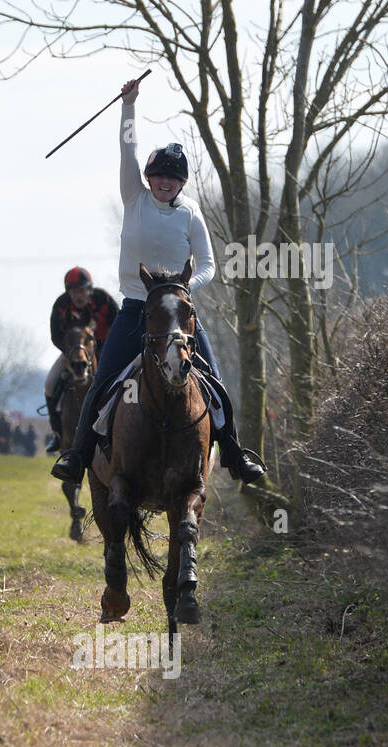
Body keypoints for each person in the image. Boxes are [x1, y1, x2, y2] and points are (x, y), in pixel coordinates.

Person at [52, 76, 265, 486]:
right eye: (159, 176)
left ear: (182, 183)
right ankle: (77, 456)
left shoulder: (191, 214)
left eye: (173, 178)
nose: (165, 182)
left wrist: (181, 293)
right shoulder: (134, 198)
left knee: (215, 384)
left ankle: (235, 457)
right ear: (149, 178)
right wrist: (128, 105)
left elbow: (208, 265)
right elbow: (127, 148)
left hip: (178, 314)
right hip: (135, 309)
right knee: (102, 380)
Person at [43, 267, 118, 452]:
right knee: (50, 384)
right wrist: (71, 353)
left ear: (90, 290)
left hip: (107, 350)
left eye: (83, 290)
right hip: (73, 353)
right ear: (69, 292)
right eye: (75, 291)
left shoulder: (104, 300)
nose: (80, 295)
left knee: (127, 381)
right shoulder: (61, 305)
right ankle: (58, 433)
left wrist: (106, 351)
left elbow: (119, 325)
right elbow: (55, 336)